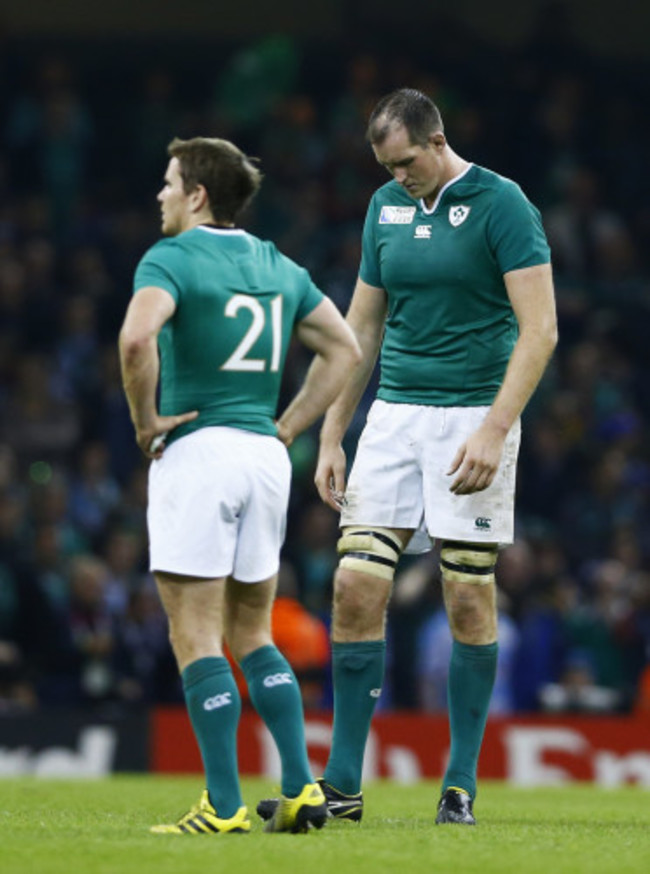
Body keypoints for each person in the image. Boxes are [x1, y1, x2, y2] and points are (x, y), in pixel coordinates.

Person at [258, 88, 558, 826]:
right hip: (393, 417)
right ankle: (343, 787)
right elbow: (360, 328)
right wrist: (334, 433)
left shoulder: (502, 204)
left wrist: (494, 430)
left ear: (437, 141)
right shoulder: (384, 208)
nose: (398, 178)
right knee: (354, 587)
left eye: (406, 163)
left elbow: (541, 329)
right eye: (387, 168)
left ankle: (459, 785)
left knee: (466, 595)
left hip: (472, 414)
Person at [118, 136, 361, 835]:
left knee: (196, 635)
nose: (161, 194)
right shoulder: (277, 262)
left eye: (170, 183)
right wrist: (288, 427)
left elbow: (136, 340)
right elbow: (345, 348)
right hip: (263, 458)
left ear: (198, 195)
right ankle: (301, 788)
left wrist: (145, 421)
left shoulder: (170, 257)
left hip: (199, 451)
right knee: (252, 631)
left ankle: (223, 806)